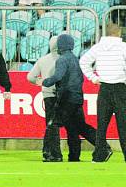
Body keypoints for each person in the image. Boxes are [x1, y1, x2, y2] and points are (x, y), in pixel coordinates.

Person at [41, 34, 100, 162]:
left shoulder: (62, 59)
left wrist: (45, 82)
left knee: (53, 124)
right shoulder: (75, 59)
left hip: (66, 98)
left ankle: (53, 155)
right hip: (77, 97)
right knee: (76, 127)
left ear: (60, 46)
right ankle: (77, 155)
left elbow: (58, 76)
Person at [79, 22, 126, 163]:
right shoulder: (123, 47)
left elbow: (83, 61)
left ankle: (99, 155)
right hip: (120, 89)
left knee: (102, 125)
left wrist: (93, 78)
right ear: (119, 33)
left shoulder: (98, 48)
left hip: (104, 88)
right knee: (123, 125)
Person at [27, 35, 62, 161]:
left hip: (48, 95)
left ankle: (48, 151)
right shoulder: (64, 59)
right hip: (62, 95)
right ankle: (54, 153)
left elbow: (30, 77)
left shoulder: (43, 60)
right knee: (59, 125)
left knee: (50, 124)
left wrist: (39, 82)